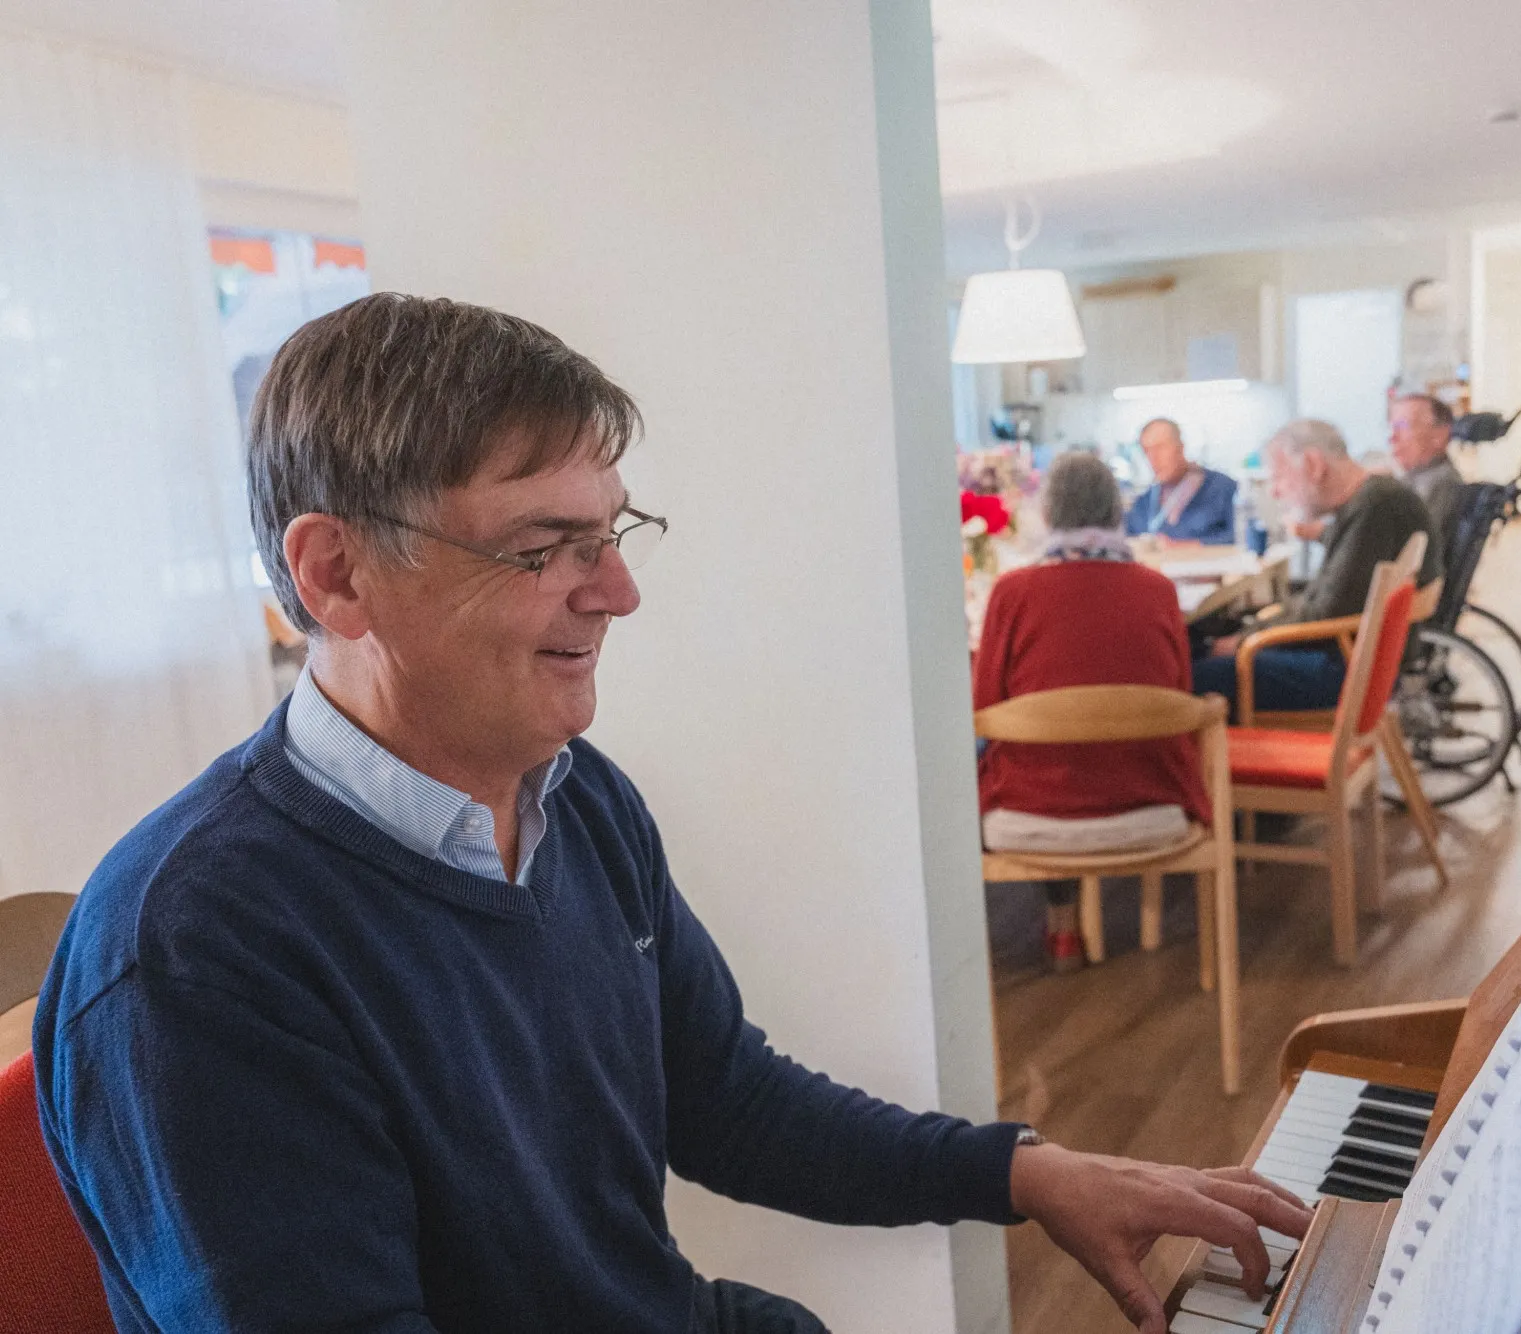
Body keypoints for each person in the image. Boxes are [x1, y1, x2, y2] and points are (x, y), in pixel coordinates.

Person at [34, 295, 1310, 1334]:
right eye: (548, 544)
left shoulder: (574, 800)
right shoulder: (194, 952)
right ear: (337, 573)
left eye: (613, 530)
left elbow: (721, 1095)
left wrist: (1026, 1171)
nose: (622, 592)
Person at [975, 452, 1209, 971]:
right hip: (1150, 805)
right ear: (1115, 513)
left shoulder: (1013, 593)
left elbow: (983, 705)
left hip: (1028, 813)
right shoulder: (1158, 590)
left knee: (1024, 760)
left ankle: (1060, 930)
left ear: (1048, 514)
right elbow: (1181, 694)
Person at [1192, 418, 1441, 717]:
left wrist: (1243, 639)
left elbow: (1327, 612)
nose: (1275, 492)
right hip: (1357, 661)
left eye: (1280, 477)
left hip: (1343, 671)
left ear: (1313, 465)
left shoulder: (1376, 507)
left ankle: (1234, 761)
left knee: (1194, 676)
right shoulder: (1374, 501)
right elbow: (1332, 599)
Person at [1124, 417, 1238, 544]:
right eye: (1147, 450)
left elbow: (1239, 539)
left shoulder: (1223, 489)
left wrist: (1186, 547)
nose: (1153, 457)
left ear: (1180, 447)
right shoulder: (1144, 503)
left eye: (1160, 447)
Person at [1389, 392, 1466, 537]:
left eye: (1402, 426)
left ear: (1439, 435)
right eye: (1392, 427)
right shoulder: (1415, 479)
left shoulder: (1440, 483)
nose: (1392, 437)